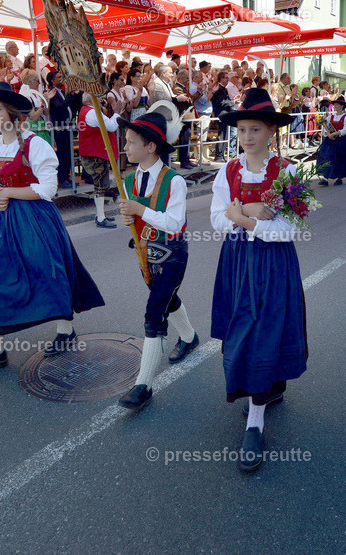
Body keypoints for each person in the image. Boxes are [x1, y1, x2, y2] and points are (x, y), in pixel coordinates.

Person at [0, 88, 105, 373]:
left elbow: (48, 189)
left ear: (13, 113)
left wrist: (6, 192)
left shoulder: (34, 144)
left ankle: (65, 331)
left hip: (36, 220)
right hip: (3, 222)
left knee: (48, 275)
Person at [210, 89, 306, 473]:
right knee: (243, 329)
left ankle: (255, 422)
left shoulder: (288, 172)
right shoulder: (228, 171)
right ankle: (260, 391)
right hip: (237, 261)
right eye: (242, 130)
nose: (247, 137)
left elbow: (290, 229)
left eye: (255, 129)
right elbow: (217, 218)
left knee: (266, 330)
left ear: (271, 132)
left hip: (273, 264)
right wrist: (247, 211)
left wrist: (244, 219)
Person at [115, 110, 198, 410]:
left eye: (130, 142)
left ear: (151, 146)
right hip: (144, 255)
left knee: (154, 313)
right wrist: (128, 216)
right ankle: (189, 337)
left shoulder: (175, 181)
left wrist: (139, 209)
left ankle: (143, 385)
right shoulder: (128, 179)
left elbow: (175, 223)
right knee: (167, 300)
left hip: (173, 255)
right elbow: (132, 218)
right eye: (125, 141)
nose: (125, 147)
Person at [78, 91, 119, 228]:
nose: (102, 99)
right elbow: (112, 126)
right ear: (93, 100)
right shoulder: (92, 112)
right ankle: (101, 218)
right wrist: (116, 113)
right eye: (99, 97)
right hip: (96, 153)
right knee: (101, 185)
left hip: (91, 152)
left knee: (100, 185)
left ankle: (100, 215)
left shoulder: (86, 110)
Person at [45, 71, 74, 189]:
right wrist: (70, 96)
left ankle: (67, 177)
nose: (62, 79)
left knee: (68, 153)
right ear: (52, 81)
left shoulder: (62, 92)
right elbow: (59, 107)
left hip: (67, 126)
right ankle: (62, 178)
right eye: (59, 77)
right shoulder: (52, 93)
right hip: (59, 127)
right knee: (62, 153)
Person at [317, 95, 346, 186]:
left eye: (337, 104)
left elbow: (345, 130)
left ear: (342, 106)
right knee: (327, 157)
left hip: (340, 140)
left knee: (340, 158)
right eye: (334, 104)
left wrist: (335, 133)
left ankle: (339, 177)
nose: (335, 106)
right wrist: (328, 134)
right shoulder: (330, 117)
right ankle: (325, 178)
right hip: (330, 140)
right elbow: (325, 128)